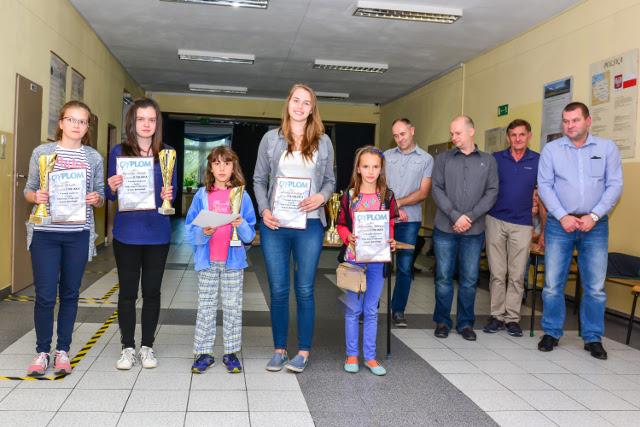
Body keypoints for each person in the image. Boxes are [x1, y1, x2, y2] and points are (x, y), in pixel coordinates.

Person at [254, 83, 335, 373]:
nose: (300, 107)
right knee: (278, 290)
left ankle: (302, 351)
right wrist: (264, 210)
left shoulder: (323, 142)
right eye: (296, 100)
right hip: (275, 224)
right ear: (288, 103)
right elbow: (258, 180)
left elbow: (330, 181)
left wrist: (321, 197)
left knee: (304, 289)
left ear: (312, 109)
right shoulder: (270, 139)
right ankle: (279, 349)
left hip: (310, 224)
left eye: (306, 103)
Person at [24, 100, 105, 376]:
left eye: (82, 121)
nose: (76, 125)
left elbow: (100, 194)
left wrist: (96, 199)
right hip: (45, 233)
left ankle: (62, 351)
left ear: (87, 127)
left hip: (77, 234)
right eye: (71, 119)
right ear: (61, 123)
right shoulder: (42, 152)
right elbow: (28, 190)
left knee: (70, 294)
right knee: (45, 295)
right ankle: (42, 352)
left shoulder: (93, 157)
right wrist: (36, 196)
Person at [537, 102, 623, 359]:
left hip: (595, 226)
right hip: (559, 224)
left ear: (588, 121)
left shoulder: (606, 148)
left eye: (575, 120)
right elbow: (545, 186)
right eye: (565, 121)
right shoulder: (552, 150)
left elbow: (615, 185)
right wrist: (562, 215)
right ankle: (551, 332)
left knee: (595, 286)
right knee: (553, 284)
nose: (569, 125)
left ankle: (593, 337)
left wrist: (594, 215)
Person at [105, 97, 177, 370]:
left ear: (157, 123)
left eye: (151, 119)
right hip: (127, 233)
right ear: (132, 123)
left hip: (158, 233)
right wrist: (112, 186)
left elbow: (171, 196)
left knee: (152, 292)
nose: (146, 124)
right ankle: (127, 347)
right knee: (127, 293)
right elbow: (110, 194)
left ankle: (147, 346)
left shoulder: (167, 152)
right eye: (141, 119)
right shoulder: (118, 151)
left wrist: (168, 194)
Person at [185, 146, 256, 374]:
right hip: (207, 261)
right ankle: (203, 353)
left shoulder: (242, 196)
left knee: (233, 307)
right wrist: (203, 232)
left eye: (227, 163)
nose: (222, 168)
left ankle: (231, 353)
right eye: (217, 163)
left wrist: (240, 224)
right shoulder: (201, 195)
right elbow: (189, 229)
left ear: (234, 167)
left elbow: (250, 235)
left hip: (233, 262)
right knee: (206, 307)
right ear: (210, 168)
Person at [431, 116, 498, 341]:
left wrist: (469, 217)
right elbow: (436, 189)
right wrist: (455, 215)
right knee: (443, 278)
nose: (453, 137)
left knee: (469, 279)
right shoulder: (443, 159)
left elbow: (492, 192)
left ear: (471, 131)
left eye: (457, 133)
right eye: (451, 133)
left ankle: (466, 323)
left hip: (474, 230)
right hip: (444, 228)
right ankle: (442, 321)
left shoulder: (488, 161)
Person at [336, 146, 398, 376]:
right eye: (366, 166)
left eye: (375, 166)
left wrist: (391, 240)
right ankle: (352, 354)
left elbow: (390, 223)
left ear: (381, 169)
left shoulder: (387, 196)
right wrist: (347, 237)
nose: (371, 171)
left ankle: (370, 357)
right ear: (358, 169)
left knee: (371, 309)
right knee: (353, 308)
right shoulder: (349, 196)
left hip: (377, 261)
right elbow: (341, 224)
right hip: (354, 260)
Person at [483, 119, 539, 337]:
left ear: (529, 136)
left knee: (517, 274)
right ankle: (496, 316)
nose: (517, 139)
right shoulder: (496, 159)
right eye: (513, 135)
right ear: (508, 137)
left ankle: (512, 318)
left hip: (523, 224)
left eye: (522, 134)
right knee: (497, 273)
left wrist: (540, 221)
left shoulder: (538, 160)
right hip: (495, 220)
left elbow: (542, 191)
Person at [385, 118, 433, 327]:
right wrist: (394, 208)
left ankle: (398, 311)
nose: (400, 139)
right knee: (376, 265)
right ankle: (369, 307)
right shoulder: (386, 156)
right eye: (396, 136)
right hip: (384, 219)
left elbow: (423, 192)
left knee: (404, 267)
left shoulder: (426, 159)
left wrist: (399, 204)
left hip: (410, 221)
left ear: (412, 131)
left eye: (402, 134)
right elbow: (378, 185)